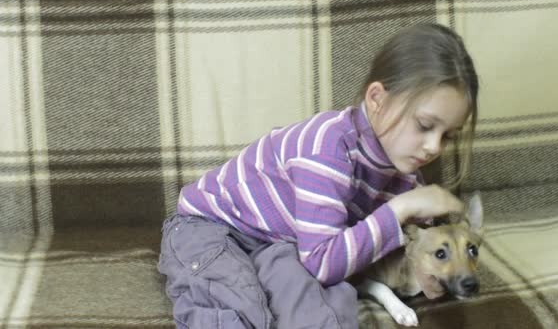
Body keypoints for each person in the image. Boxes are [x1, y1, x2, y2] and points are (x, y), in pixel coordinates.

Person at [158, 22, 479, 329]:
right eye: (424, 126)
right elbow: (323, 262)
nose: (433, 147)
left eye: (448, 135)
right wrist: (398, 211)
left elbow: (394, 254)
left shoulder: (406, 181)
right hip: (214, 229)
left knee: (324, 309)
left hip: (285, 246)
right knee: (237, 304)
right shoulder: (327, 149)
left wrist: (426, 272)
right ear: (377, 99)